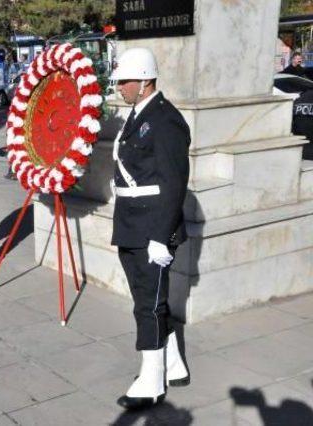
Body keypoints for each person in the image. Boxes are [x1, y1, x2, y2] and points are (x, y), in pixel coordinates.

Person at [109, 48, 191, 410]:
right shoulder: (139, 114)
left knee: (149, 305)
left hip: (151, 229)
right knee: (146, 299)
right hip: (132, 223)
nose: (120, 87)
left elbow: (174, 183)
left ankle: (152, 378)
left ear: (144, 81)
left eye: (124, 81)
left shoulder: (165, 120)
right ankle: (173, 363)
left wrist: (161, 236)